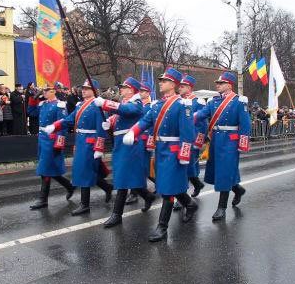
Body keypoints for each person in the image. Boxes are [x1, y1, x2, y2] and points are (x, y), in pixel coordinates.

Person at [123, 68, 197, 242]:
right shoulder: (156, 105)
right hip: (160, 150)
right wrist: (133, 132)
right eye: (161, 80)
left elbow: (188, 133)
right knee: (167, 185)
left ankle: (162, 227)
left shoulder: (182, 104)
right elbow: (145, 121)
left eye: (164, 81)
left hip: (173, 151)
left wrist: (184, 154)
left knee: (167, 190)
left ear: (173, 84)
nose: (161, 83)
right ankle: (190, 204)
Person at [42, 78, 113, 216]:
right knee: (85, 170)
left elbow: (101, 129)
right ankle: (107, 187)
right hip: (80, 141)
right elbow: (69, 120)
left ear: (94, 90)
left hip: (90, 143)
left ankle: (85, 204)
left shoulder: (97, 105)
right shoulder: (80, 105)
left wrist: (99, 148)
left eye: (87, 88)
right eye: (83, 88)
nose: (83, 90)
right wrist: (55, 126)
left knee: (84, 172)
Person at [95, 77, 157, 227]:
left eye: (124, 87)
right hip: (121, 145)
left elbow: (126, 110)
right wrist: (109, 123)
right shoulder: (125, 103)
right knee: (128, 177)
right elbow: (119, 115)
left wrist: (104, 103)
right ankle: (147, 196)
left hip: (131, 145)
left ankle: (117, 215)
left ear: (131, 90)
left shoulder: (136, 103)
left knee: (122, 178)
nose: (121, 89)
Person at [193, 71, 251, 221]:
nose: (217, 85)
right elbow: (201, 115)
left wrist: (242, 143)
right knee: (219, 171)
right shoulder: (212, 102)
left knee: (225, 172)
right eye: (217, 83)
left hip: (230, 141)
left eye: (220, 83)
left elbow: (245, 123)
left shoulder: (239, 101)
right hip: (216, 140)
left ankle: (221, 208)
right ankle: (238, 190)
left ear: (229, 85)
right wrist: (186, 119)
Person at [29, 85, 76, 209]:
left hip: (51, 139)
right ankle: (69, 186)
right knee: (49, 169)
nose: (43, 93)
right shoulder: (43, 104)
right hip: (42, 138)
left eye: (46, 91)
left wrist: (59, 143)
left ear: (53, 91)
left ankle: (43, 199)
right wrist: (33, 99)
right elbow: (31, 112)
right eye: (43, 91)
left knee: (44, 169)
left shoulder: (59, 105)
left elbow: (63, 125)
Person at [179, 75, 207, 197]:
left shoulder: (198, 101)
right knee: (185, 166)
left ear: (189, 87)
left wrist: (198, 141)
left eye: (182, 86)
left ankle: (182, 195)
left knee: (188, 166)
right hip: (182, 138)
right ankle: (196, 184)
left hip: (193, 138)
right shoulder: (179, 101)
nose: (180, 88)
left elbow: (203, 124)